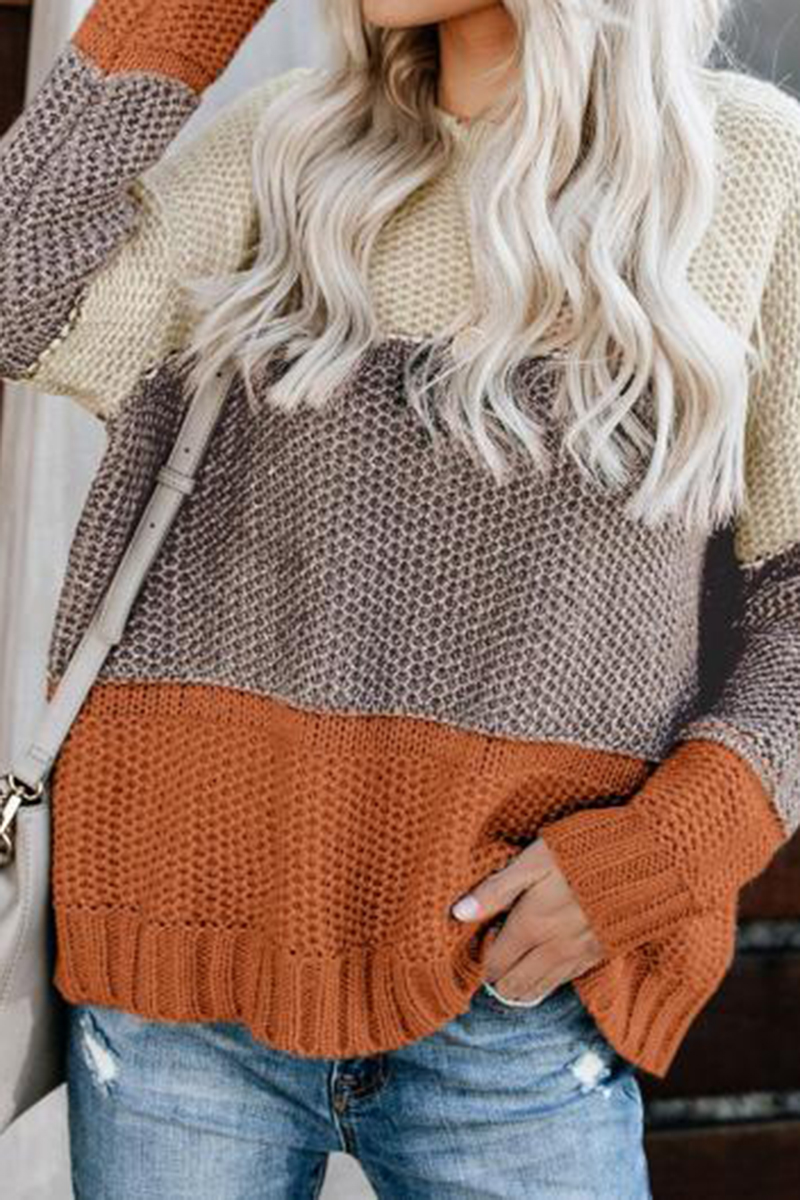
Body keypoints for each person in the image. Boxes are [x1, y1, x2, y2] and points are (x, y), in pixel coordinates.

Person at [1, 0, 799, 1195]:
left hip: (510, 1008)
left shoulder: (743, 169)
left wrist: (664, 851)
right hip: (178, 970)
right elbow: (18, 290)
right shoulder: (286, 146)